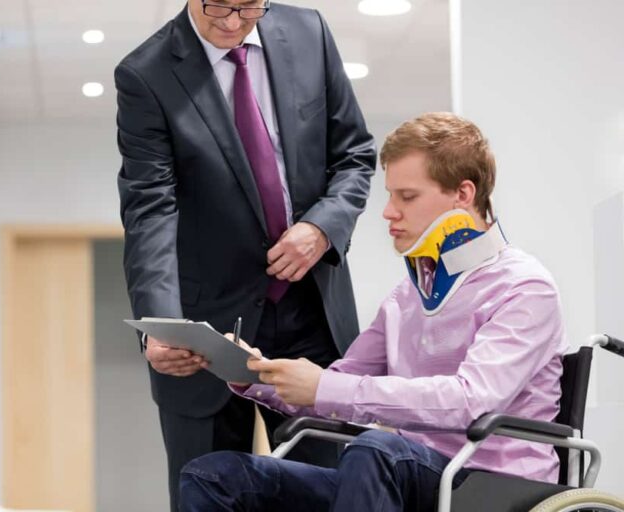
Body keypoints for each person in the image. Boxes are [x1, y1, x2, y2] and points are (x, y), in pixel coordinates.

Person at [178, 112, 568, 511]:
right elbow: (339, 383)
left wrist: (328, 388)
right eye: (390, 195)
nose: (388, 212)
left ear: (463, 195)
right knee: (215, 477)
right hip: (400, 474)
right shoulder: (407, 296)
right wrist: (253, 374)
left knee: (375, 450)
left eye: (407, 196)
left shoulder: (523, 286)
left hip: (491, 485)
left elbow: (470, 401)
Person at [115, 0, 376, 508]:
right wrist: (162, 326)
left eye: (249, 7)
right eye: (218, 7)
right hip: (207, 338)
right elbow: (151, 212)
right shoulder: (145, 75)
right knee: (210, 494)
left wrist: (322, 227)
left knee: (328, 496)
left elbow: (354, 156)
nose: (234, 22)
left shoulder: (308, 32)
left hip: (312, 322)